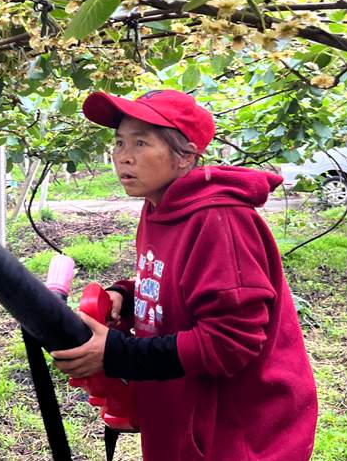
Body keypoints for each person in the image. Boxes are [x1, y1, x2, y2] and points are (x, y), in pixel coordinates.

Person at [51, 89, 318, 461]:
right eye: (119, 142)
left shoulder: (218, 220)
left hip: (234, 433)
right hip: (186, 413)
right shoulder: (158, 206)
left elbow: (229, 343)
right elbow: (176, 284)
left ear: (185, 156)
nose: (123, 156)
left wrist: (118, 354)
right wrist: (125, 297)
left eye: (141, 142)